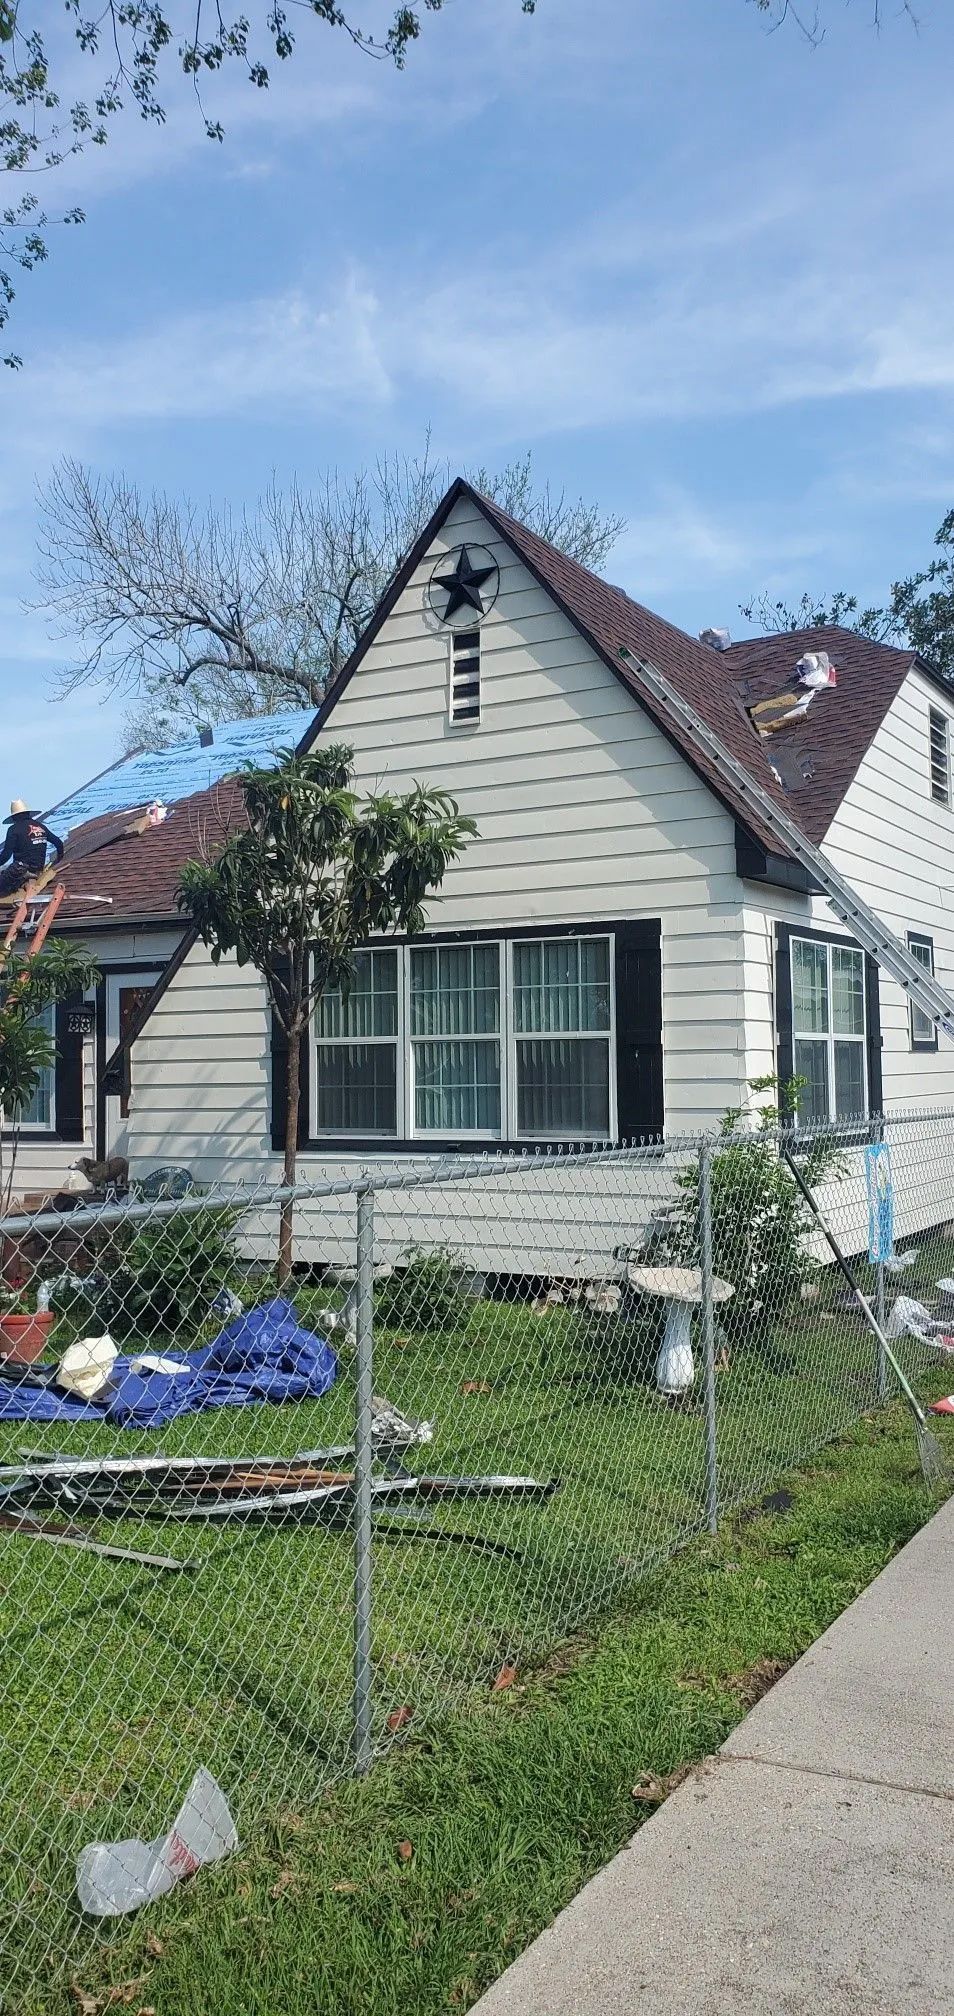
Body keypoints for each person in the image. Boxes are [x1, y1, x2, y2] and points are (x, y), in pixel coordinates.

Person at [0, 799, 65, 897]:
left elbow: (6, 855)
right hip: (38, 869)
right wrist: (59, 859)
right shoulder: (40, 826)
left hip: (20, 869)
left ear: (14, 817)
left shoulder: (13, 829)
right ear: (28, 814)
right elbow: (58, 843)